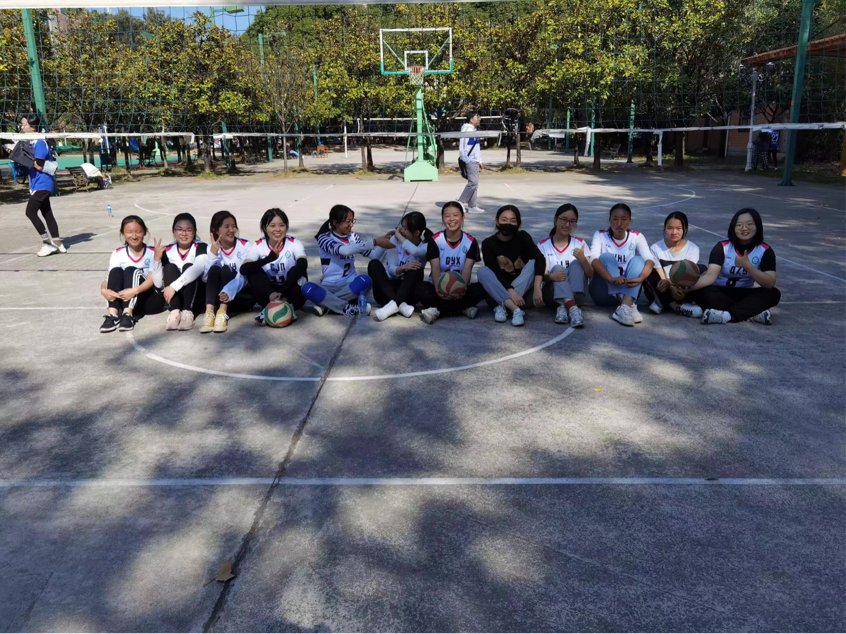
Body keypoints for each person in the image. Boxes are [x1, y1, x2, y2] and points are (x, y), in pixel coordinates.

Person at [687, 208, 780, 325]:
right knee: (700, 292)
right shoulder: (722, 247)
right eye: (739, 225)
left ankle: (727, 315)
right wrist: (687, 288)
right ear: (733, 227)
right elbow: (710, 276)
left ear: (757, 226)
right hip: (719, 292)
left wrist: (748, 266)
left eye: (749, 224)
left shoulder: (765, 250)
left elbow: (769, 283)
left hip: (744, 293)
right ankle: (751, 313)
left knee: (773, 294)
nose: (744, 228)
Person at [307, 205, 394, 316]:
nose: (351, 225)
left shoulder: (353, 237)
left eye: (352, 221)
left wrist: (385, 242)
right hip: (328, 287)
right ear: (335, 222)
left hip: (351, 286)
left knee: (366, 280)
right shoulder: (324, 238)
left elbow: (374, 256)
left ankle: (325, 305)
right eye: (348, 222)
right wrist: (375, 242)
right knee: (307, 288)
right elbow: (344, 250)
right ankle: (348, 307)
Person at [415, 201, 485, 324]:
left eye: (455, 215)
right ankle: (463, 308)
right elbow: (435, 268)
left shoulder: (470, 242)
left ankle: (437, 311)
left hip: (460, 289)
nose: (451, 219)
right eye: (447, 216)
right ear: (442, 219)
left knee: (481, 288)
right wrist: (439, 289)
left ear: (463, 218)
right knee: (420, 288)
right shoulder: (435, 240)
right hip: (438, 288)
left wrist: (460, 289)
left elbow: (467, 270)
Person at [477, 205, 545, 327]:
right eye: (504, 220)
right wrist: (512, 293)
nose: (508, 224)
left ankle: (501, 306)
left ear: (518, 223)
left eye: (512, 220)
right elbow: (495, 272)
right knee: (483, 271)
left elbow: (540, 258)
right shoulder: (488, 243)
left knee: (533, 263)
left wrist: (537, 286)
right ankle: (515, 309)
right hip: (500, 287)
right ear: (497, 221)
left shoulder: (523, 237)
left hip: (522, 290)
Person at [589, 203, 655, 326]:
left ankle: (625, 305)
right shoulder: (600, 235)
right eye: (615, 219)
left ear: (629, 221)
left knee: (639, 260)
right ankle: (628, 305)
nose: (619, 223)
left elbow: (650, 259)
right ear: (609, 220)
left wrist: (641, 278)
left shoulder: (636, 236)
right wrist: (611, 278)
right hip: (603, 292)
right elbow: (593, 259)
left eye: (624, 219)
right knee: (606, 257)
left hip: (629, 290)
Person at [241, 208, 309, 324]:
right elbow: (244, 269)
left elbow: (303, 265)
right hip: (269, 294)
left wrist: (283, 290)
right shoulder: (258, 245)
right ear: (265, 228)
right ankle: (281, 308)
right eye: (272, 226)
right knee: (253, 271)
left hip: (290, 292)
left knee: (297, 270)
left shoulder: (294, 242)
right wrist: (268, 259)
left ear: (286, 227)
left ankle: (281, 306)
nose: (277, 229)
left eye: (281, 225)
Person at [99, 216, 165, 333]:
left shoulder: (152, 252)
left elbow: (152, 279)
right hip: (127, 299)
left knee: (131, 270)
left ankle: (128, 315)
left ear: (144, 232)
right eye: (129, 232)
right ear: (123, 234)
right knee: (116, 271)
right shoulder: (118, 253)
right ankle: (113, 315)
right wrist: (103, 290)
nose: (134, 236)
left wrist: (135, 291)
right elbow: (109, 278)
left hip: (150, 301)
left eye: (138, 232)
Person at [367, 211, 431, 322]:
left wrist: (397, 235)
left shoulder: (425, 246)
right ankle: (399, 305)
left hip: (408, 294)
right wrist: (402, 268)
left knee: (416, 268)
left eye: (405, 229)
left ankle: (393, 305)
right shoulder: (395, 240)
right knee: (374, 264)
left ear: (416, 233)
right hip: (387, 290)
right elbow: (391, 269)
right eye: (402, 227)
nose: (401, 231)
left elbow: (415, 251)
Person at [536, 203, 593, 326]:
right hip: (552, 296)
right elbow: (542, 275)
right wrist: (551, 277)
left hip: (578, 294)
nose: (567, 225)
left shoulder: (580, 243)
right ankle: (572, 308)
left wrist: (583, 260)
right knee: (557, 268)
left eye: (572, 222)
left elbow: (590, 274)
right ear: (555, 220)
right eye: (564, 220)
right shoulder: (543, 246)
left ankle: (564, 306)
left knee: (576, 263)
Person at [152, 213, 207, 331]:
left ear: (194, 232)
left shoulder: (201, 247)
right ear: (173, 231)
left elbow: (198, 268)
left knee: (189, 266)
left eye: (189, 230)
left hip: (196, 298)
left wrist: (173, 287)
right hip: (174, 298)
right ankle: (175, 312)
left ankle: (188, 312)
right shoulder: (167, 250)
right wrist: (156, 260)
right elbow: (158, 284)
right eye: (179, 229)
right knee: (169, 268)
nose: (184, 233)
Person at [200, 211, 252, 334]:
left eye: (234, 226)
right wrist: (213, 254)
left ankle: (222, 313)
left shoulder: (245, 245)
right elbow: (206, 279)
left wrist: (228, 290)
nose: (231, 230)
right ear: (216, 230)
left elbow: (244, 277)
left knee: (226, 270)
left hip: (238, 297)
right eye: (226, 226)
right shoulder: (210, 247)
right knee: (214, 269)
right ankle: (209, 313)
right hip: (217, 297)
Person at [21, 115, 65, 257]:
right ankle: (59, 244)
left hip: (42, 183)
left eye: (24, 124)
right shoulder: (31, 141)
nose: (21, 127)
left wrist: (21, 156)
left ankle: (47, 243)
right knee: (47, 213)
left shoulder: (39, 142)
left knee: (30, 212)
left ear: (33, 127)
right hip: (37, 183)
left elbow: (39, 164)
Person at [644, 211, 702, 317]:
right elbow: (660, 276)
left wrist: (673, 285)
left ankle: (662, 302)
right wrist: (670, 288)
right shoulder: (656, 248)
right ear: (664, 229)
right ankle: (676, 307)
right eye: (670, 228)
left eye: (679, 228)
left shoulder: (693, 249)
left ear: (685, 229)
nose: (674, 232)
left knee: (701, 269)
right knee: (648, 270)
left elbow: (688, 274)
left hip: (683, 289)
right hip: (662, 289)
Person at [458, 110, 485, 214]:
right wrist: (466, 159)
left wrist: (480, 160)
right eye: (477, 117)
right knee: (473, 182)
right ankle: (461, 201)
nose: (479, 119)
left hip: (474, 160)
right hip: (470, 159)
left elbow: (476, 147)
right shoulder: (467, 130)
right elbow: (462, 146)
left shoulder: (474, 130)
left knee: (475, 183)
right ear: (471, 119)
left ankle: (472, 206)